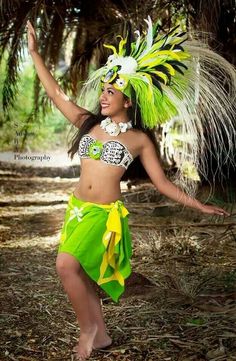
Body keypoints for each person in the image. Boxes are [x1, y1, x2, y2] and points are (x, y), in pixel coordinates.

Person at [26, 18, 232, 361]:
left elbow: (162, 183)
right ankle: (102, 334)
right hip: (77, 210)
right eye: (103, 90)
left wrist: (199, 206)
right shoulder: (88, 124)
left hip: (104, 216)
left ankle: (87, 329)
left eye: (111, 91)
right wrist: (34, 53)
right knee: (78, 270)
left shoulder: (139, 140)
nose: (103, 96)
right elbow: (55, 93)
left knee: (65, 266)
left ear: (128, 100)